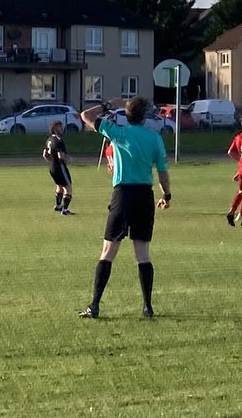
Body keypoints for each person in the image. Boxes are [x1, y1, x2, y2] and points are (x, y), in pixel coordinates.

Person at [77, 97, 171, 319]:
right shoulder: (154, 138)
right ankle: (147, 306)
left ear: (127, 115)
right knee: (142, 254)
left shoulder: (118, 133)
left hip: (123, 195)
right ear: (144, 116)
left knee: (108, 252)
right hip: (144, 196)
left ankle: (95, 305)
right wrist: (166, 195)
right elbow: (163, 172)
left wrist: (107, 105)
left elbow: (85, 117)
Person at [42, 120, 73, 215]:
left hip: (52, 167)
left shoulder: (49, 140)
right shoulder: (59, 140)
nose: (62, 129)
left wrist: (52, 162)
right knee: (68, 188)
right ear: (55, 128)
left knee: (59, 186)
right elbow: (61, 156)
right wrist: (69, 159)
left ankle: (58, 205)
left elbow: (45, 154)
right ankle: (64, 210)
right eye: (60, 127)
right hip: (60, 167)